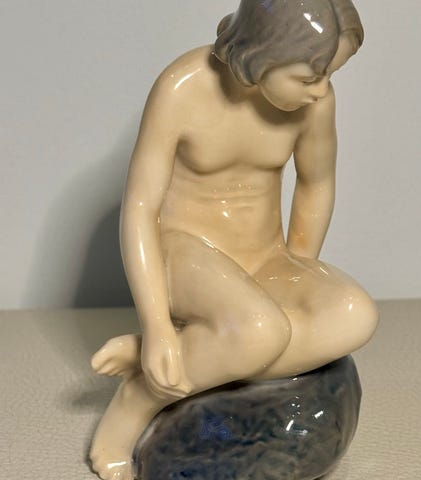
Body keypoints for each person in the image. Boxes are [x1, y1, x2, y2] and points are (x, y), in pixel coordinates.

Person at [89, 1, 378, 479]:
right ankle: (135, 403)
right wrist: (157, 324)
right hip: (182, 251)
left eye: (330, 75)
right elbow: (140, 208)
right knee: (262, 331)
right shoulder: (182, 87)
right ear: (263, 53)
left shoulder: (314, 102)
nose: (321, 90)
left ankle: (196, 349)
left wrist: (297, 269)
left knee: (355, 314)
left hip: (264, 255)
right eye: (309, 77)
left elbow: (316, 183)